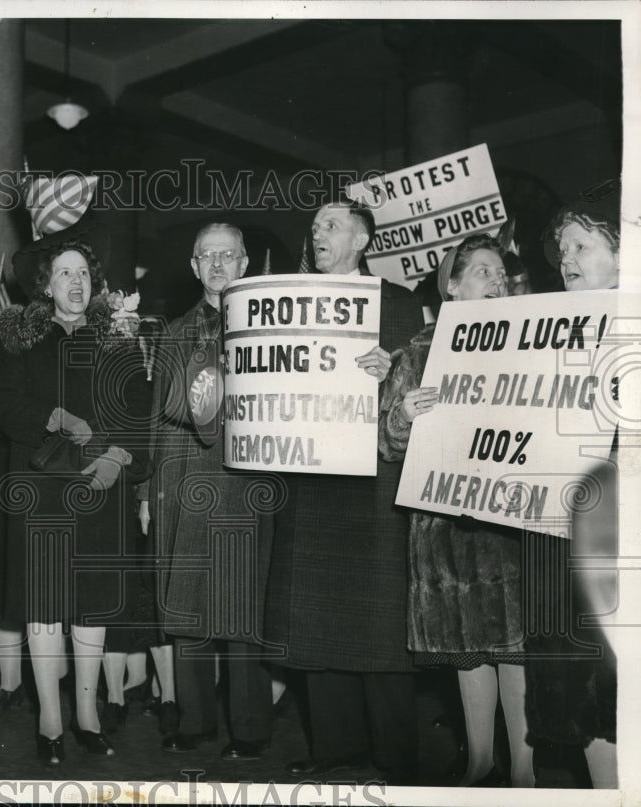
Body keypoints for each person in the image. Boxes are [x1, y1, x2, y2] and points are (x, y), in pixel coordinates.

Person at [267, 200, 425, 783]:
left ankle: (396, 754)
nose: (317, 235)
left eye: (330, 226)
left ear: (361, 239)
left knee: (379, 624)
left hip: (373, 481)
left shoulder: (401, 304)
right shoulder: (289, 304)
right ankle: (335, 746)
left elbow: (420, 396)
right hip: (310, 477)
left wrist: (392, 375)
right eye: (314, 227)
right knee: (315, 621)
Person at [0, 238, 152, 765]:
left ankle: (87, 716)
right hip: (42, 491)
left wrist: (119, 457)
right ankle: (50, 720)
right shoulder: (20, 343)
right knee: (43, 604)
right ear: (46, 285)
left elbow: (139, 409)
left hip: (100, 493)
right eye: (63, 274)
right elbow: (3, 406)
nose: (75, 283)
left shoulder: (119, 342)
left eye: (83, 272)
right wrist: (56, 418)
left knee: (91, 602)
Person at [379, 234, 534, 787]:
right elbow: (386, 444)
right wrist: (403, 414)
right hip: (444, 527)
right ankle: (479, 760)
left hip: (507, 523)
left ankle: (525, 771)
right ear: (453, 285)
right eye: (483, 273)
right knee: (467, 649)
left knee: (513, 647)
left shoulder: (528, 344)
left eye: (500, 274)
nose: (496, 282)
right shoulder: (419, 351)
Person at [141, 222, 280, 761]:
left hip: (245, 483)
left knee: (241, 607)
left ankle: (250, 728)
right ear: (194, 267)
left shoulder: (269, 331)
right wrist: (149, 493)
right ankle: (195, 721)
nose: (218, 264)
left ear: (245, 264)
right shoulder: (174, 332)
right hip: (183, 480)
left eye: (228, 255)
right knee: (187, 605)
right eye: (207, 256)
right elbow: (157, 418)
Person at [523, 198, 619, 787]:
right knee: (577, 697)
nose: (567, 260)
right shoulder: (547, 332)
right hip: (565, 544)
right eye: (562, 252)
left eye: (582, 246)